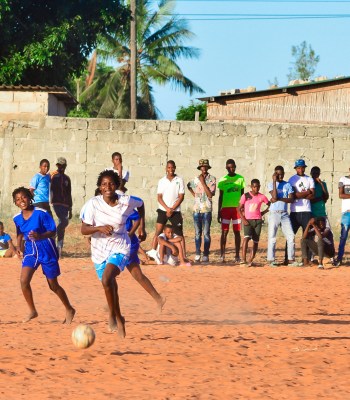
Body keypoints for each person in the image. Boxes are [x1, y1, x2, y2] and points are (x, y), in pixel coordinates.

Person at [80, 170, 146, 338]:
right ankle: (116, 315)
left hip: (120, 246)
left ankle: (117, 317)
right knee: (109, 285)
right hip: (99, 250)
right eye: (103, 184)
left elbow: (141, 204)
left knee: (107, 278)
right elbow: (83, 229)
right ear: (99, 188)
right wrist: (99, 228)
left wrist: (142, 226)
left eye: (110, 183)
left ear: (116, 186)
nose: (107, 187)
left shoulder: (126, 201)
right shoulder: (92, 204)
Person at [12, 187, 75, 324]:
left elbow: (52, 231)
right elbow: (19, 232)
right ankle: (32, 311)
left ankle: (69, 308)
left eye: (24, 197)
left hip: (46, 248)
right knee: (23, 280)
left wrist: (40, 235)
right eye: (18, 199)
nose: (21, 200)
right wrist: (18, 246)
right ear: (15, 203)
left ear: (29, 197)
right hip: (30, 250)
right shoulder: (16, 218)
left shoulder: (41, 213)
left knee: (53, 285)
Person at [147, 160, 187, 261]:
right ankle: (152, 252)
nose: (170, 170)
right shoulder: (161, 181)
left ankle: (184, 257)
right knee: (158, 231)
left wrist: (172, 209)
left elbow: (181, 196)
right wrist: (167, 209)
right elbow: (159, 197)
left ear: (175, 168)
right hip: (163, 210)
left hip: (175, 211)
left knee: (180, 234)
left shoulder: (179, 180)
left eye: (172, 167)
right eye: (168, 168)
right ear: (166, 168)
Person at [187, 159, 216, 263]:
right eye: (202, 167)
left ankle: (206, 254)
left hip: (207, 209)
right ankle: (198, 253)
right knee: (197, 233)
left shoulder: (212, 179)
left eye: (205, 166)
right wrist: (194, 195)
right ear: (200, 168)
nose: (203, 168)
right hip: (197, 209)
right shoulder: (195, 179)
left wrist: (203, 182)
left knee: (206, 233)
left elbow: (210, 194)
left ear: (208, 168)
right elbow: (188, 186)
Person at [267, 166, 296, 267]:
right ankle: (271, 259)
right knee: (272, 237)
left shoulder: (287, 184)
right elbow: (274, 196)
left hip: (284, 213)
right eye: (278, 174)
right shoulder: (271, 184)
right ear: (274, 174)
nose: (280, 176)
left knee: (291, 236)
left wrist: (279, 199)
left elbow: (291, 199)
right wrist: (274, 182)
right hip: (274, 213)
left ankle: (291, 259)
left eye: (282, 174)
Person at [217, 159, 245, 263]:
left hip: (237, 209)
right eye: (229, 167)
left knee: (237, 232)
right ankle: (222, 255)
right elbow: (220, 196)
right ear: (226, 167)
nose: (231, 169)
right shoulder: (222, 180)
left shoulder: (240, 179)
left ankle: (237, 255)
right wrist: (219, 210)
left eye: (232, 167)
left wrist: (242, 209)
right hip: (225, 209)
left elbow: (243, 196)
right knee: (224, 231)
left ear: (235, 167)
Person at [239, 179, 270, 266]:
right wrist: (243, 219)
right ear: (251, 187)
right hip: (247, 221)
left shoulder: (262, 196)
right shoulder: (245, 196)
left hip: (258, 221)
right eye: (254, 187)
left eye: (258, 186)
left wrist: (264, 212)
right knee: (246, 238)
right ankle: (243, 259)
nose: (256, 188)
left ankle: (250, 259)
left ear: (259, 186)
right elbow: (239, 208)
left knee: (256, 241)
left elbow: (270, 205)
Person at [51, 157, 72, 256]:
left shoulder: (67, 178)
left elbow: (69, 193)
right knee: (64, 221)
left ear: (65, 166)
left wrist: (70, 208)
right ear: (57, 166)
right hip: (56, 203)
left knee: (62, 226)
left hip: (65, 204)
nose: (61, 167)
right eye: (59, 165)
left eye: (63, 165)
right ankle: (53, 234)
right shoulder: (53, 176)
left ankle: (59, 249)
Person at [288, 159, 315, 236]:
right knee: (291, 236)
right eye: (299, 168)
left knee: (307, 237)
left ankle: (306, 249)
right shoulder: (292, 179)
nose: (301, 170)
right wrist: (307, 192)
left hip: (307, 211)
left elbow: (312, 196)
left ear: (305, 168)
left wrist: (299, 195)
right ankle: (288, 249)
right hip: (295, 211)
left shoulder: (309, 179)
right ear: (296, 169)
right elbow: (293, 196)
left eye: (302, 167)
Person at [334, 168, 350, 266]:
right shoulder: (343, 179)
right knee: (343, 237)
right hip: (346, 213)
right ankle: (339, 259)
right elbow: (341, 195)